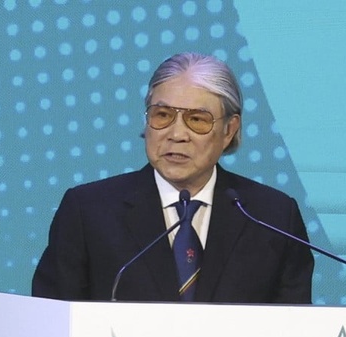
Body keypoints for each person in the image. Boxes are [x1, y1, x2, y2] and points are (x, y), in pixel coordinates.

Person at [31, 52, 314, 303]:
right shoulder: (88, 211)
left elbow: (296, 334)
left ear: (229, 130)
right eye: (162, 115)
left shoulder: (273, 218)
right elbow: (49, 325)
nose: (176, 134)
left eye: (197, 120)